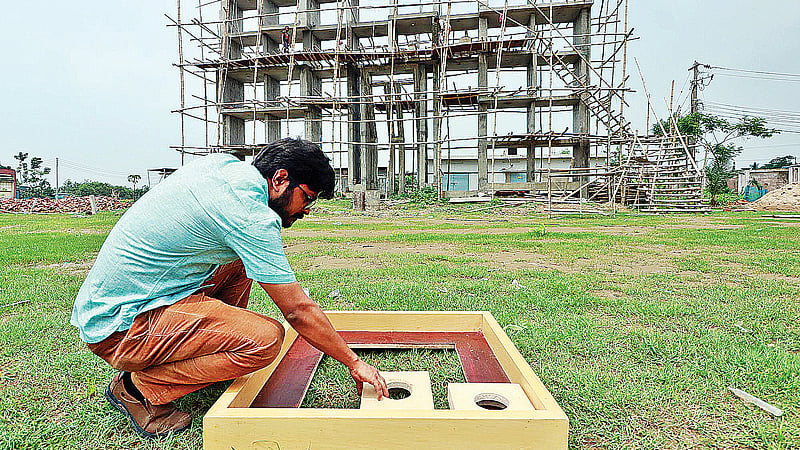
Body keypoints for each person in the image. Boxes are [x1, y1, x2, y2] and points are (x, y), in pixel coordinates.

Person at [71, 138, 389, 439]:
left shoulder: (225, 169)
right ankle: (139, 390)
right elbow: (297, 311)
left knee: (239, 260)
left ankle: (209, 361)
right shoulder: (249, 215)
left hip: (126, 303)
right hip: (121, 329)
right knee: (264, 340)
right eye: (307, 197)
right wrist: (353, 362)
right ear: (280, 179)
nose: (306, 210)